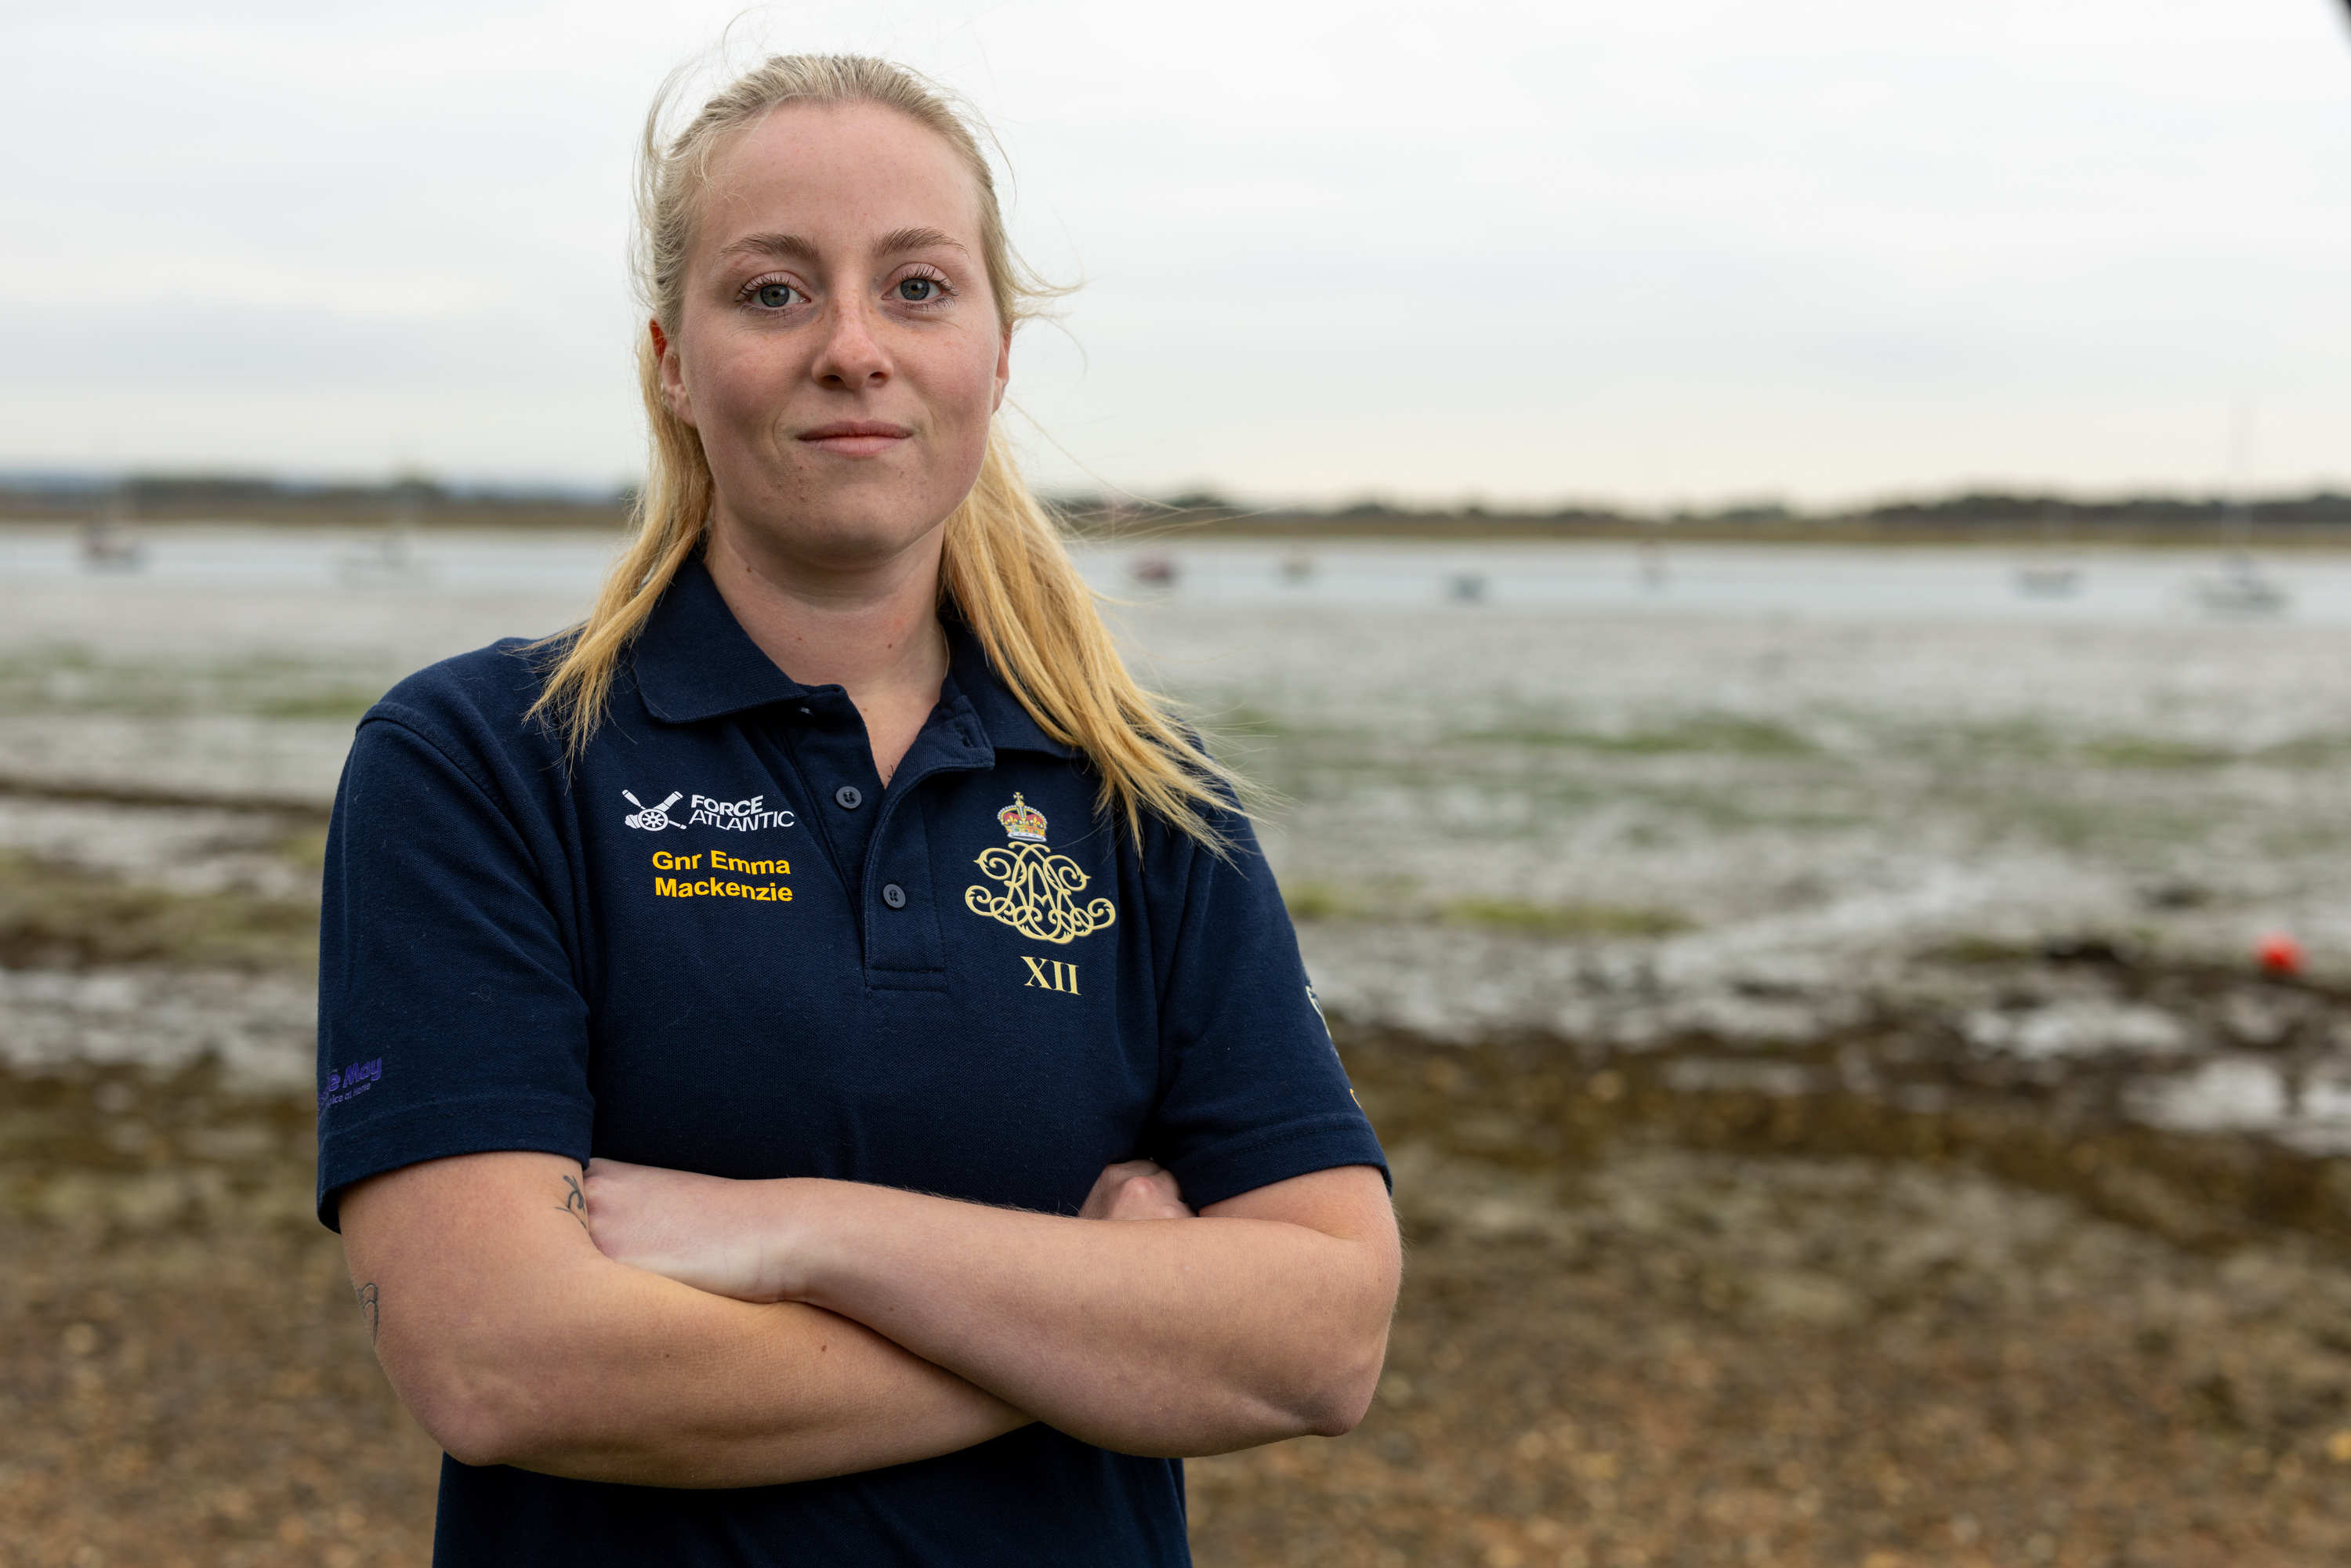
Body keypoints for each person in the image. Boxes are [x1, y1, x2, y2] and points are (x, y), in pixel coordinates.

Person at [315, 52, 1400, 1568]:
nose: (853, 349)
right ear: (671, 364)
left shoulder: (1149, 795)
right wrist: (1096, 1324)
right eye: (772, 292)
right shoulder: (480, 762)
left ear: (997, 356)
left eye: (917, 288)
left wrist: (802, 1232)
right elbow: (500, 1358)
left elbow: (1325, 1337)